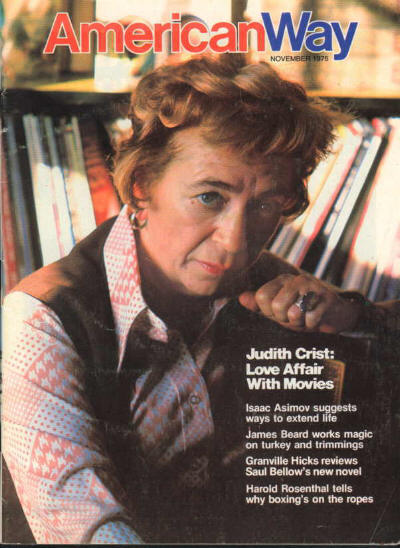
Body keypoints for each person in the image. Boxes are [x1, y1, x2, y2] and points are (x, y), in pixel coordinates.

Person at [3, 54, 399, 544]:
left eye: (264, 205)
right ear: (141, 187)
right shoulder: (40, 318)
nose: (234, 241)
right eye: (210, 197)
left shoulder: (266, 282)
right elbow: (87, 529)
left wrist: (352, 316)